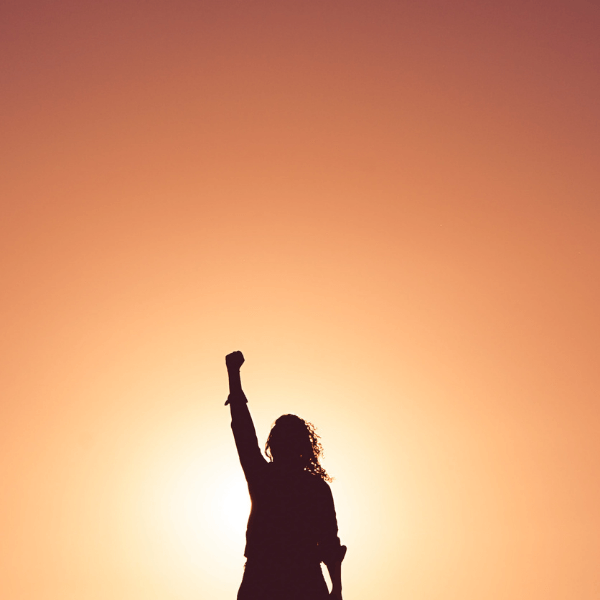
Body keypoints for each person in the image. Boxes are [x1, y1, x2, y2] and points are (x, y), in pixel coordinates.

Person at [225, 351, 346, 600]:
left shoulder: (268, 478)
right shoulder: (305, 486)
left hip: (284, 579)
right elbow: (243, 431)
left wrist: (234, 375)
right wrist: (337, 589)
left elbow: (329, 544)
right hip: (278, 578)